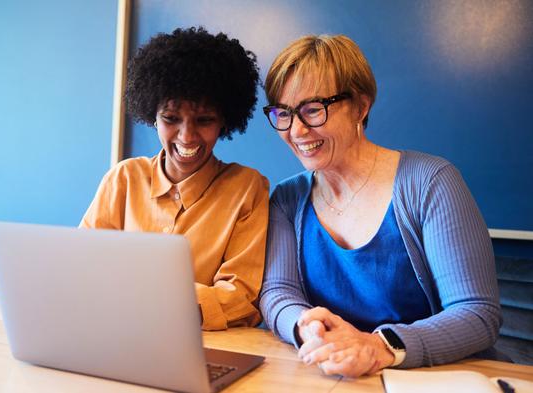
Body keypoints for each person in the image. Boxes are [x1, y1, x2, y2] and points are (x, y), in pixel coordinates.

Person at [259, 35, 501, 377]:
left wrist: (379, 347)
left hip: (435, 378)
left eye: (313, 109)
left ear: (360, 105)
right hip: (344, 378)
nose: (296, 130)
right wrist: (306, 326)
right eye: (283, 113)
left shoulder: (431, 182)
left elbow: (477, 314)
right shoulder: (286, 199)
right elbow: (277, 292)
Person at [81, 27, 269, 331]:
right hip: (114, 334)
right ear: (152, 115)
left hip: (201, 349)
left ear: (224, 121)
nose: (187, 135)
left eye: (204, 120)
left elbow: (242, 298)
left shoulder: (247, 188)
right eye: (171, 118)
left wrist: (156, 302)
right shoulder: (124, 179)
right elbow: (82, 266)